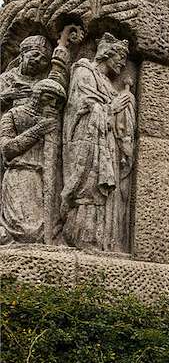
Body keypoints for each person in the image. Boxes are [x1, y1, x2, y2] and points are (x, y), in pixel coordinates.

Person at [60, 33, 135, 253]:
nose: (123, 63)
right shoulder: (84, 71)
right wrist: (113, 107)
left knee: (107, 195)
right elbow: (80, 107)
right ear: (106, 54)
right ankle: (84, 238)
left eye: (125, 58)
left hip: (108, 145)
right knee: (90, 189)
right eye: (120, 57)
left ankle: (105, 243)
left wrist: (126, 107)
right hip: (88, 143)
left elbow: (117, 118)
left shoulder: (108, 84)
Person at [0, 78, 65, 242]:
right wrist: (38, 130)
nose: (52, 104)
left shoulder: (54, 123)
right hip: (20, 175)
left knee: (45, 231)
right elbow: (7, 149)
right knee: (26, 232)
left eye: (56, 102)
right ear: (37, 94)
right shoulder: (13, 115)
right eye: (49, 98)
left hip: (45, 180)